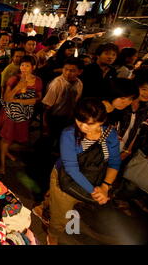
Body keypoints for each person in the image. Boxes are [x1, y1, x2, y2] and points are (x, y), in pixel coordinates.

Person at [47, 98, 121, 245]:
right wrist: (96, 192)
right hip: (66, 179)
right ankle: (52, 236)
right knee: (60, 216)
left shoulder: (110, 134)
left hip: (92, 179)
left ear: (102, 121)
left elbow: (114, 162)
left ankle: (44, 205)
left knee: (64, 206)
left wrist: (105, 186)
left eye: (90, 123)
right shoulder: (69, 134)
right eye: (80, 121)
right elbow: (71, 169)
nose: (83, 126)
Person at [0, 55, 43, 174]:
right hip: (11, 114)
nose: (24, 68)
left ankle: (6, 152)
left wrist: (21, 101)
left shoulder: (37, 81)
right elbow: (6, 98)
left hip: (25, 114)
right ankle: (2, 164)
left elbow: (39, 97)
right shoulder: (14, 79)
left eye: (27, 65)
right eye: (22, 65)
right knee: (6, 138)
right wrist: (18, 87)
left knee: (14, 136)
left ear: (33, 67)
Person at [42, 57, 84, 142]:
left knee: (63, 138)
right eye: (66, 69)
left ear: (80, 71)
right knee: (49, 139)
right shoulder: (57, 84)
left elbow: (76, 101)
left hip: (68, 116)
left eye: (72, 70)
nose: (68, 73)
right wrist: (45, 123)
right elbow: (47, 105)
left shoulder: (79, 84)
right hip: (54, 117)